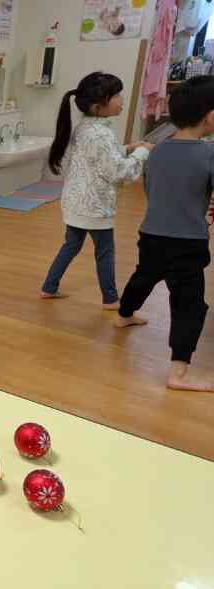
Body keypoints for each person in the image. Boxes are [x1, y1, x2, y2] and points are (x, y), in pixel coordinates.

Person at [115, 75, 214, 392]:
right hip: (187, 242)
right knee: (189, 304)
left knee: (144, 275)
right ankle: (178, 374)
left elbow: (153, 190)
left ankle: (124, 314)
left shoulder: (155, 151)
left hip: (152, 234)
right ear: (210, 116)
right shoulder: (208, 154)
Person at [40, 71, 151, 309]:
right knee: (105, 251)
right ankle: (110, 299)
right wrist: (142, 153)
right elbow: (120, 172)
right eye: (117, 95)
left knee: (71, 245)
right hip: (94, 207)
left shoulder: (85, 127)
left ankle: (48, 287)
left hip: (75, 203)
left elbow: (98, 158)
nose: (122, 100)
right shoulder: (101, 134)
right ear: (98, 104)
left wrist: (128, 148)